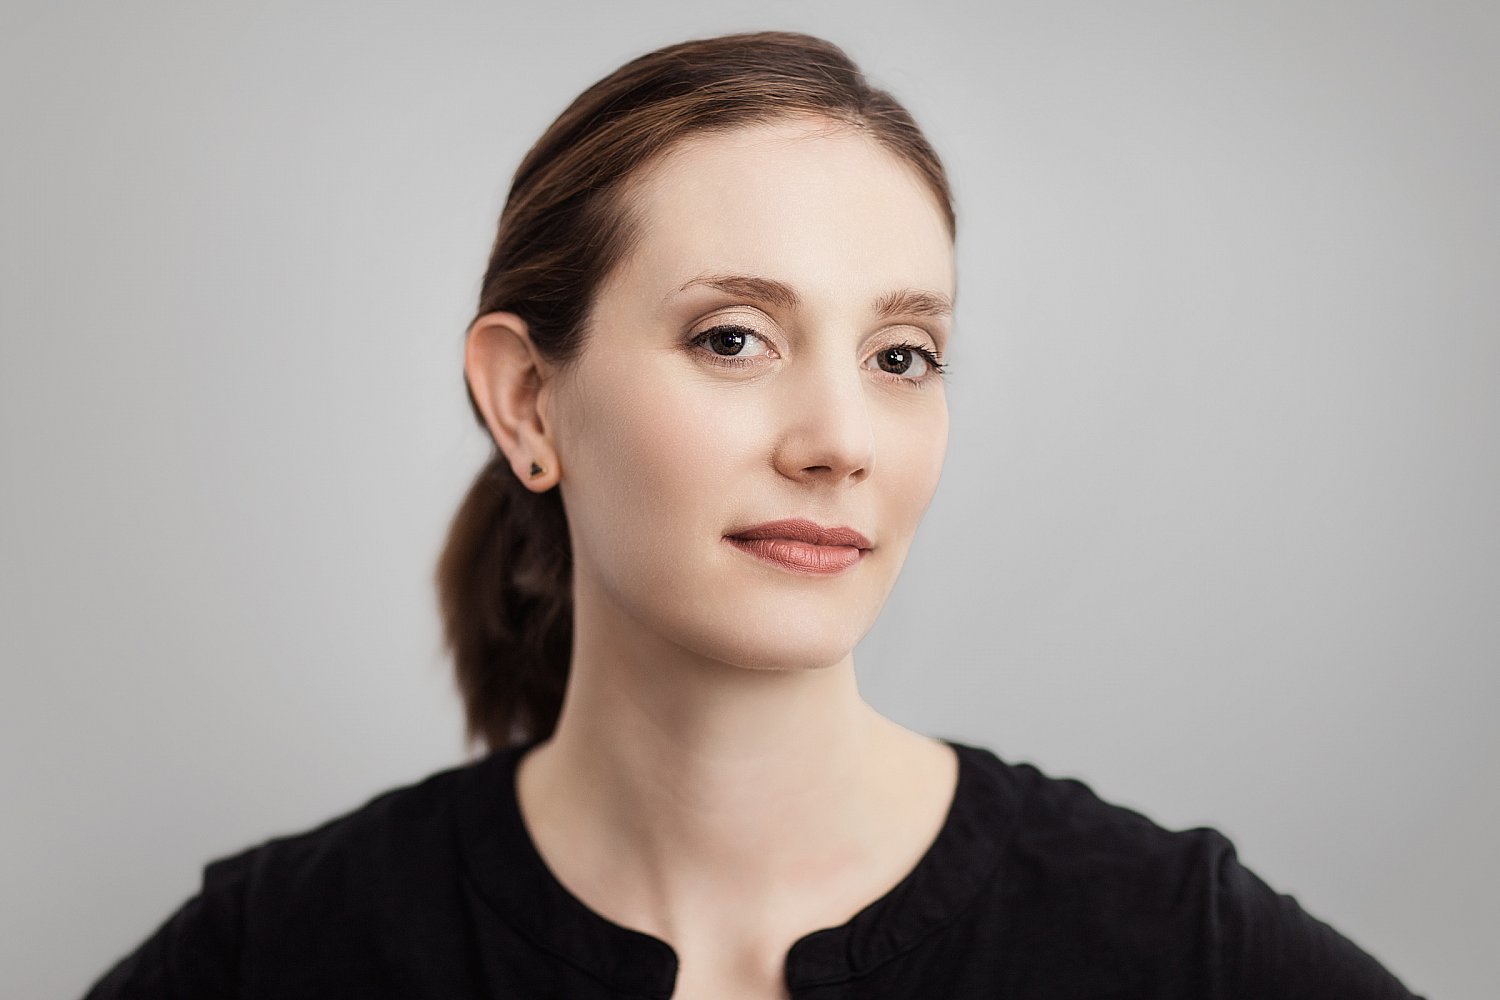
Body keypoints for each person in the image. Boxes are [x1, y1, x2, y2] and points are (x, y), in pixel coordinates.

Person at [83, 30, 1423, 1000]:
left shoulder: (1175, 950)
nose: (840, 443)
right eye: (733, 338)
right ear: (527, 405)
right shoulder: (277, 955)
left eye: (903, 355)